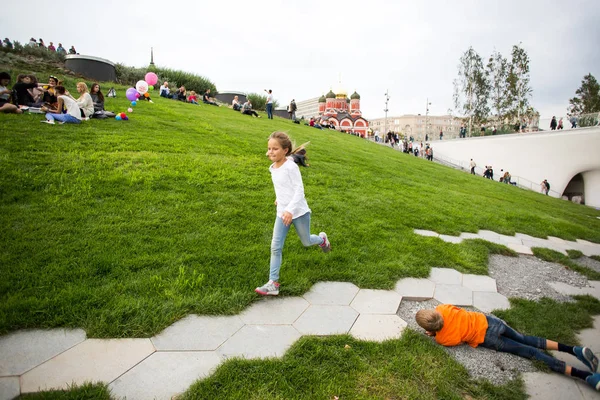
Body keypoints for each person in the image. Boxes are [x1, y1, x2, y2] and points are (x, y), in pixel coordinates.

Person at [416, 304, 600, 392]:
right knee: (526, 339)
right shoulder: (443, 308)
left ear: (428, 330)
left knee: (528, 352)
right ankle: (572, 350)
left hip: (487, 339)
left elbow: (459, 341)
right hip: (490, 322)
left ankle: (586, 376)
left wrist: (435, 335)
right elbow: (456, 309)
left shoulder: (443, 339)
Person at [255, 132, 331, 296]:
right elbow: (282, 187)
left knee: (306, 241)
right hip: (282, 213)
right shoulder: (272, 167)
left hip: (298, 212)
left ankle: (322, 240)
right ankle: (273, 283)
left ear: (285, 150)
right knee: (276, 246)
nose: (271, 152)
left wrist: (290, 209)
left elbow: (299, 191)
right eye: (269, 148)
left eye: (275, 148)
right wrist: (279, 199)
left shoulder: (291, 166)